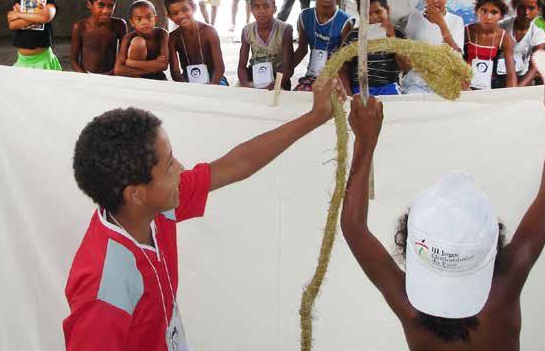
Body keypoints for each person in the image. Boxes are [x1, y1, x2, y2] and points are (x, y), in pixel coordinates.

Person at [340, 36, 545, 351]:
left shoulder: (408, 303)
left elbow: (353, 226)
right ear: (493, 243)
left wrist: (365, 141)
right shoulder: (504, 287)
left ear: (411, 242)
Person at [64, 76, 345, 351]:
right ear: (135, 194)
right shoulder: (104, 287)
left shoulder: (154, 207)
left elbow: (237, 164)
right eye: (169, 165)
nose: (181, 169)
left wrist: (314, 117)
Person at [400, 0, 464, 94]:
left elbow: (457, 56)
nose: (435, 1)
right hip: (416, 84)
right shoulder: (414, 18)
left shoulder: (456, 21)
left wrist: (441, 24)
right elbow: (406, 55)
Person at [340, 0, 407, 96]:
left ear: (387, 10)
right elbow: (343, 68)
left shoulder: (397, 33)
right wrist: (348, 93)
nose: (373, 18)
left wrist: (393, 39)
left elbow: (406, 67)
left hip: (388, 87)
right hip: (358, 88)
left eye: (378, 12)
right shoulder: (354, 36)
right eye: (367, 14)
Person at [293, 0, 354, 91]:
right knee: (297, 98)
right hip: (311, 76)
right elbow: (301, 50)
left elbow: (345, 60)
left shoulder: (345, 22)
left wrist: (346, 90)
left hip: (334, 77)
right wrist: (284, 75)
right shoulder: (304, 17)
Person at [165, 0, 227, 85]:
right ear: (169, 16)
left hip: (213, 77)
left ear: (193, 7)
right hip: (187, 79)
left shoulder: (209, 32)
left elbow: (220, 68)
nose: (181, 16)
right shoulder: (173, 38)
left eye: (185, 10)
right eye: (175, 13)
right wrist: (188, 88)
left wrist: (211, 87)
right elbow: (175, 73)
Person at [237, 0, 294, 90]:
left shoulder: (285, 30)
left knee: (276, 99)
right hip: (255, 73)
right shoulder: (247, 30)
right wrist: (246, 84)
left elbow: (288, 67)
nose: (261, 11)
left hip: (278, 76)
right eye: (257, 7)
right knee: (240, 95)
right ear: (251, 9)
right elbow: (241, 66)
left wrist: (274, 85)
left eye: (266, 6)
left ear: (275, 9)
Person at [7, 0, 62, 70]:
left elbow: (45, 17)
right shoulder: (19, 3)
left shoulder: (49, 4)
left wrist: (20, 15)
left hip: (43, 59)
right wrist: (37, 17)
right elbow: (12, 25)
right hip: (22, 60)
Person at [464, 0, 517, 90]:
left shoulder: (504, 38)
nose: (488, 17)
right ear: (477, 11)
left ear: (501, 16)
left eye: (494, 12)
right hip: (464, 85)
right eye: (484, 11)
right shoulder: (466, 31)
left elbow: (511, 73)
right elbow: (454, 62)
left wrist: (512, 96)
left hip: (489, 88)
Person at [71, 0, 127, 74]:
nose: (106, 11)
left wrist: (114, 73)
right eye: (101, 5)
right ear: (89, 5)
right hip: (87, 74)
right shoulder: (80, 27)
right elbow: (74, 60)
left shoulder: (119, 25)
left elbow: (123, 55)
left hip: (112, 73)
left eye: (110, 6)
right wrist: (84, 76)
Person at [499, 0, 545, 86]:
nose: (526, 13)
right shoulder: (501, 26)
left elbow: (534, 68)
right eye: (521, 7)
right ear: (515, 7)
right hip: (498, 76)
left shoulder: (538, 33)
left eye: (531, 8)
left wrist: (518, 89)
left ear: (538, 10)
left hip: (523, 78)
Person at [114, 0, 169, 80]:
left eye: (149, 17)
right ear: (132, 22)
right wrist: (154, 67)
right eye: (139, 19)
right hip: (137, 79)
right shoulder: (128, 38)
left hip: (158, 79)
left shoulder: (162, 34)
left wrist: (131, 63)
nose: (145, 22)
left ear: (156, 19)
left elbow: (163, 65)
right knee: (138, 42)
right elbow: (118, 70)